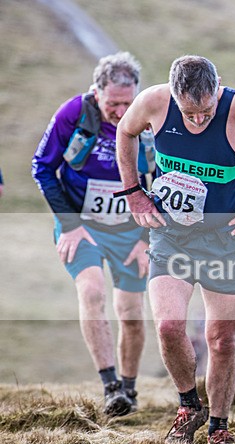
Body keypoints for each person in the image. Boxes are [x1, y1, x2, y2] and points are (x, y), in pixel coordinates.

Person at [115, 55, 235, 444]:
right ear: (174, 98)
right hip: (171, 236)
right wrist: (133, 193)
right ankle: (188, 407)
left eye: (205, 112)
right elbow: (125, 132)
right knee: (168, 327)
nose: (197, 121)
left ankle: (219, 427)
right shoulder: (153, 102)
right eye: (189, 114)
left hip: (225, 239)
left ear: (218, 91)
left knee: (222, 341)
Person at [31, 52, 150, 417]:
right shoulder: (74, 114)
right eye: (113, 103)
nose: (119, 110)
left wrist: (149, 240)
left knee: (130, 312)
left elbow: (165, 181)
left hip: (132, 228)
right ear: (97, 93)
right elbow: (43, 168)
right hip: (82, 224)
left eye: (126, 103)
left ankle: (129, 389)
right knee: (92, 290)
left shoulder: (150, 119)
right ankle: (110, 385)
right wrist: (69, 224)